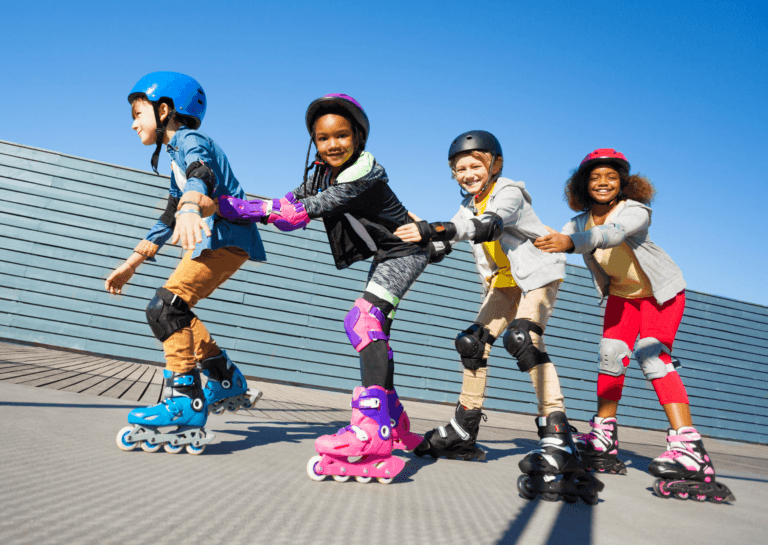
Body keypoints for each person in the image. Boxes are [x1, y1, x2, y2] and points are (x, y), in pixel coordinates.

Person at [218, 94, 432, 483]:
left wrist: (239, 209)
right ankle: (397, 425)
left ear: (359, 138)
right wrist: (236, 204)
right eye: (322, 138)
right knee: (373, 330)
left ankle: (372, 431)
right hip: (385, 254)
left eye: (342, 136)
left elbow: (297, 215)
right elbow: (290, 199)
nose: (332, 144)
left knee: (363, 322)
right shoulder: (321, 172)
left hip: (405, 252)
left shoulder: (366, 174)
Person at [394, 131, 602, 503]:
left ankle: (558, 435)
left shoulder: (509, 193)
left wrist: (437, 229)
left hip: (538, 275)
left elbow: (490, 224)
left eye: (475, 165)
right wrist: (412, 235)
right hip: (504, 283)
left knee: (523, 339)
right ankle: (464, 426)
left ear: (495, 164)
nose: (468, 173)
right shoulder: (468, 205)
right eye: (460, 168)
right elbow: (444, 240)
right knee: (471, 343)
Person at [533, 148, 735, 502]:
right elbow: (553, 239)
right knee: (610, 356)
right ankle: (603, 436)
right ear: (582, 184)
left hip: (661, 294)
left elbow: (611, 234)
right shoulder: (578, 222)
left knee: (652, 356)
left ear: (623, 183)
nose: (603, 183)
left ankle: (689, 447)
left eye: (611, 177)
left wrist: (569, 244)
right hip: (622, 296)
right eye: (595, 177)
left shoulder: (635, 211)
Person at [109, 72, 264, 455]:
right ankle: (223, 377)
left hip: (225, 241)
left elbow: (202, 174)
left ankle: (184, 399)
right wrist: (132, 262)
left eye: (138, 112)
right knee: (176, 310)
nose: (133, 122)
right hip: (218, 242)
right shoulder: (175, 153)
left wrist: (192, 206)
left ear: (164, 110)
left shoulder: (188, 141)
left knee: (165, 307)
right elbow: (167, 216)